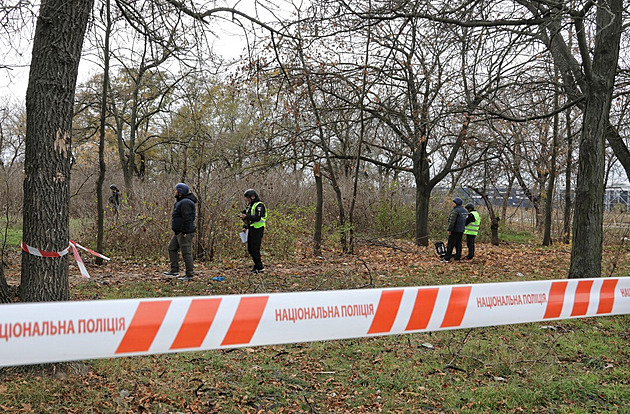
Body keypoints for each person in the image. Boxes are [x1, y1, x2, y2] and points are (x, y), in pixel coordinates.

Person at [163, 183, 197, 281]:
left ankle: (189, 274)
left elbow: (188, 218)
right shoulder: (180, 201)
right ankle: (174, 270)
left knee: (186, 253)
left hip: (184, 232)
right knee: (172, 248)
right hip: (178, 232)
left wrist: (185, 231)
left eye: (176, 190)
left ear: (180, 192)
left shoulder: (185, 202)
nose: (174, 192)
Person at [240, 189, 267, 273]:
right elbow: (249, 217)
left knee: (255, 249)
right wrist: (245, 226)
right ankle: (256, 266)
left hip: (258, 229)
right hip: (251, 228)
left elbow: (257, 217)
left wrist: (246, 217)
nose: (247, 200)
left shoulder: (259, 205)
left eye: (248, 198)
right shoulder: (250, 205)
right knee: (250, 249)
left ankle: (260, 267)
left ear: (253, 197)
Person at [441, 197, 468, 262]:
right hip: (461, 230)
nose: (452, 204)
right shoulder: (464, 211)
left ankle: (447, 258)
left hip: (455, 230)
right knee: (459, 244)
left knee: (451, 244)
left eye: (453, 203)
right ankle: (458, 257)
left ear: (456, 204)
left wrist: (449, 229)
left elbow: (452, 221)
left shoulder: (455, 211)